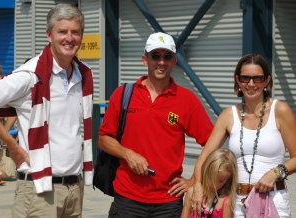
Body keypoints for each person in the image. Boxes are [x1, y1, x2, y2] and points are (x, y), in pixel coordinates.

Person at [98, 32, 213, 218]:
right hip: (128, 199)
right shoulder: (123, 94)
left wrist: (194, 180)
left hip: (168, 202)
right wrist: (127, 154)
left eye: (167, 56)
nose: (161, 62)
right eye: (155, 56)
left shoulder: (186, 99)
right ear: (145, 60)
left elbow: (211, 142)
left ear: (174, 61)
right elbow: (103, 139)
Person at [0, 4, 94, 218]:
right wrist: (12, 145)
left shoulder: (83, 76)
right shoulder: (30, 76)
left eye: (75, 32)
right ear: (49, 35)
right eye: (62, 31)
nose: (69, 38)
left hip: (74, 190)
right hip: (39, 192)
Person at [190, 53, 296, 217]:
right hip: (238, 202)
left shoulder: (280, 110)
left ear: (267, 80)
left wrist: (275, 172)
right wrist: (197, 184)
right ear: (237, 80)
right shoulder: (228, 115)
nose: (251, 84)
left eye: (258, 78)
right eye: (245, 78)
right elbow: (205, 155)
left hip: (273, 199)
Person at [181, 148, 238, 218]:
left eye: (221, 181)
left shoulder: (226, 202)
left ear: (228, 180)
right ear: (206, 171)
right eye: (212, 178)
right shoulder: (191, 193)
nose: (214, 185)